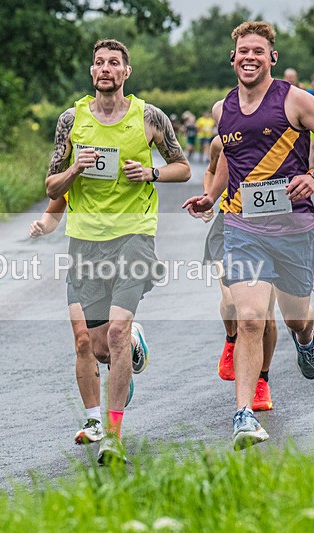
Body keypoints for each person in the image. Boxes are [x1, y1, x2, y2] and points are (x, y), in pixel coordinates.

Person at [182, 21, 314, 450]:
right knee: (251, 318)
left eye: (259, 50)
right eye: (243, 51)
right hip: (243, 226)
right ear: (233, 57)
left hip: (291, 226)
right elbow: (228, 161)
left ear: (271, 57)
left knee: (295, 316)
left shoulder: (296, 100)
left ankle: (306, 336)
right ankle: (243, 414)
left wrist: (313, 178)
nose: (250, 57)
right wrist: (210, 196)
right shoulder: (223, 110)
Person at [46, 38, 191, 463]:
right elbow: (51, 186)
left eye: (114, 63)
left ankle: (112, 433)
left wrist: (150, 172)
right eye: (98, 63)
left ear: (126, 72)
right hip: (86, 241)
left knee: (115, 332)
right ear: (92, 72)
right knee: (92, 346)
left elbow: (182, 168)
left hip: (134, 236)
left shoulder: (149, 117)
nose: (105, 68)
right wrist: (76, 167)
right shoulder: (71, 120)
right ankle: (132, 346)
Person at [28, 197, 137, 445]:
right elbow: (54, 212)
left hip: (118, 257)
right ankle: (94, 421)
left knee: (109, 344)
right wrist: (42, 225)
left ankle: (130, 342)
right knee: (83, 341)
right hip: (82, 264)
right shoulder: (76, 167)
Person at [194, 136, 277, 411]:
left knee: (264, 316)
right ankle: (231, 340)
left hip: (269, 228)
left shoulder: (284, 137)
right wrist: (209, 197)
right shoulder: (222, 141)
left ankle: (262, 381)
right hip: (228, 225)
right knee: (231, 302)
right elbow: (210, 170)